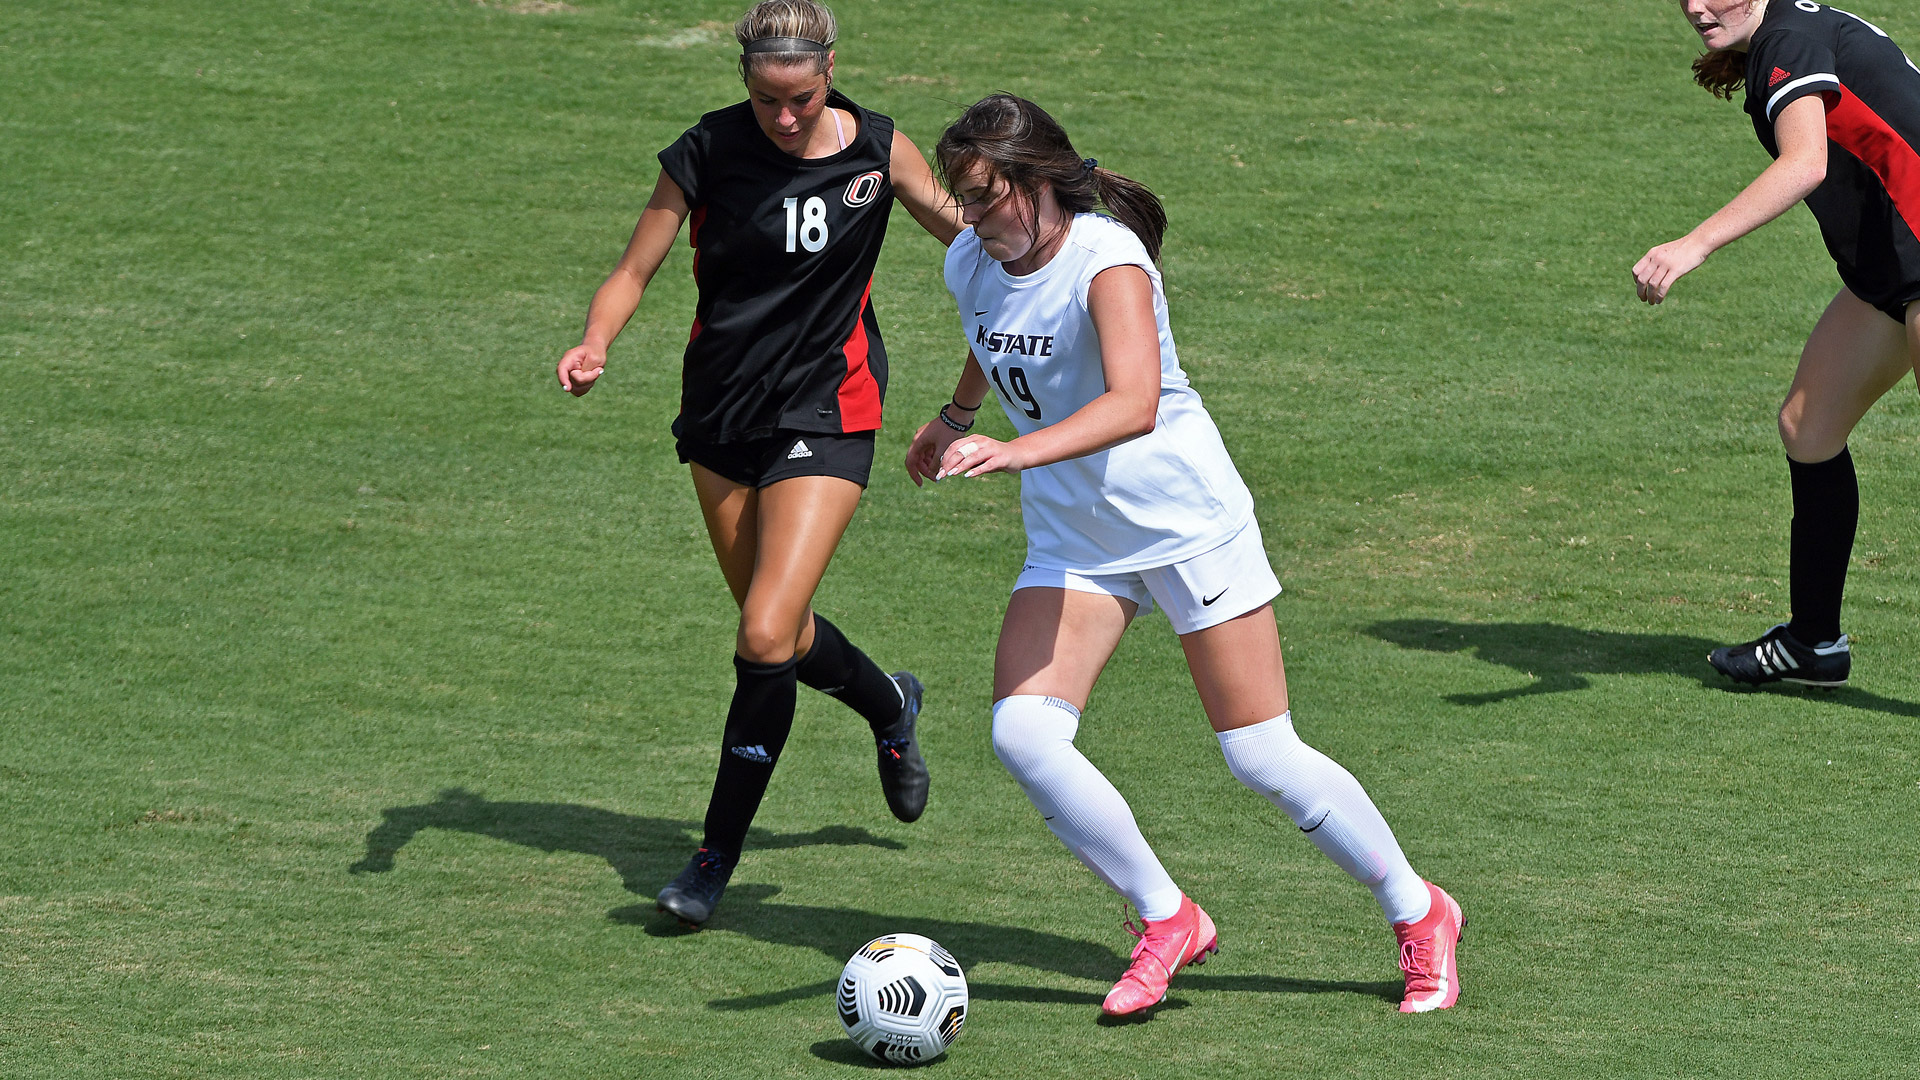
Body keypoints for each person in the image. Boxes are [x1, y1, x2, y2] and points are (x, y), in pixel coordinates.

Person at [905, 94, 1463, 1017]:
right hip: (1077, 535)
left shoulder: (1106, 260)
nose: (972, 218)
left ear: (1040, 184)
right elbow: (991, 332)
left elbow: (1134, 402)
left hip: (1184, 523)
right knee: (1024, 736)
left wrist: (1008, 450)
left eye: (986, 197)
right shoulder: (972, 255)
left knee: (1261, 755)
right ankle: (1167, 918)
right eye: (963, 199)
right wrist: (957, 416)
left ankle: (1419, 910)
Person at [556, 0, 963, 927]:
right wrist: (595, 340)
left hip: (831, 406)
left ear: (831, 68)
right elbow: (634, 269)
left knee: (763, 630)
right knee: (774, 629)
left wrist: (1069, 239)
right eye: (767, 100)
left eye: (802, 99)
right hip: (720, 414)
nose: (784, 119)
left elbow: (975, 236)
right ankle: (889, 705)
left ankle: (710, 859)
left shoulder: (881, 151)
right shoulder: (705, 151)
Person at [1635, 0, 1920, 686]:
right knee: (1808, 426)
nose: (1696, 7)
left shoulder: (1789, 35)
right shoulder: (1786, 29)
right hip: (1893, 266)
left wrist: (1693, 244)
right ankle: (1814, 643)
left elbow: (1805, 164)